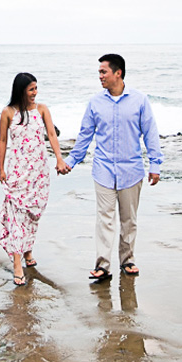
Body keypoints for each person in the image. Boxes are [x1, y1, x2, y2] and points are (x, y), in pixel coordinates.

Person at [65, 54, 163, 281]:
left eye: (103, 72)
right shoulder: (95, 103)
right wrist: (71, 161)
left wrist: (155, 164)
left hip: (132, 170)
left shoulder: (139, 100)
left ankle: (127, 260)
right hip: (103, 170)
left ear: (117, 73)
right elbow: (85, 135)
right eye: (99, 72)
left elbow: (150, 133)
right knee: (105, 219)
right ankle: (102, 265)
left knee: (129, 219)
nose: (99, 76)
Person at [0, 72, 69, 285]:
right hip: (18, 172)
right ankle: (18, 263)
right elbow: (2, 141)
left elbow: (52, 134)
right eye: (31, 89)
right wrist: (1, 169)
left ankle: (28, 250)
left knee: (33, 214)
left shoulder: (42, 109)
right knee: (17, 216)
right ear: (21, 91)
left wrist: (59, 159)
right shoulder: (8, 112)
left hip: (39, 172)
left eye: (36, 89)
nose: (35, 93)